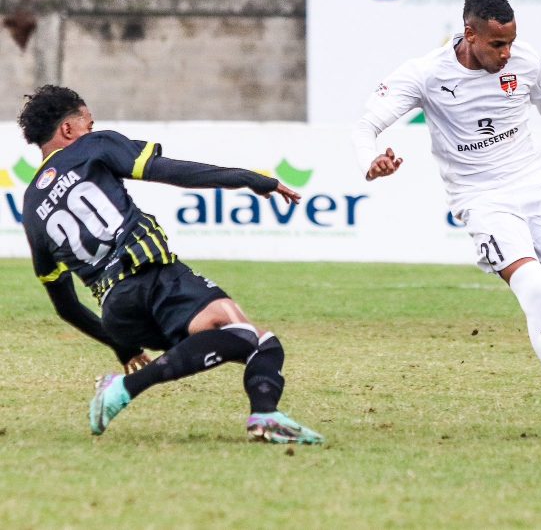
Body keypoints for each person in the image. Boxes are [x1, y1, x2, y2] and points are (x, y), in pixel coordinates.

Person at [352, 0, 541, 438]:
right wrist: (370, 160)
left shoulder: (525, 61)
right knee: (535, 290)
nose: (506, 53)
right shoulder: (425, 74)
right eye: (497, 45)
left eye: (511, 42)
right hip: (481, 199)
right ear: (470, 34)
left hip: (538, 185)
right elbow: (366, 126)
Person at [17, 85, 323, 444]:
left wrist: (124, 348)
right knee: (247, 337)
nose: (92, 127)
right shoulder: (93, 145)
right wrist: (250, 178)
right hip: (154, 277)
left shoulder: (31, 205)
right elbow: (173, 172)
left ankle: (265, 415)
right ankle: (128, 388)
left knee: (258, 343)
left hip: (118, 312)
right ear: (68, 129)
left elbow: (65, 304)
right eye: (88, 121)